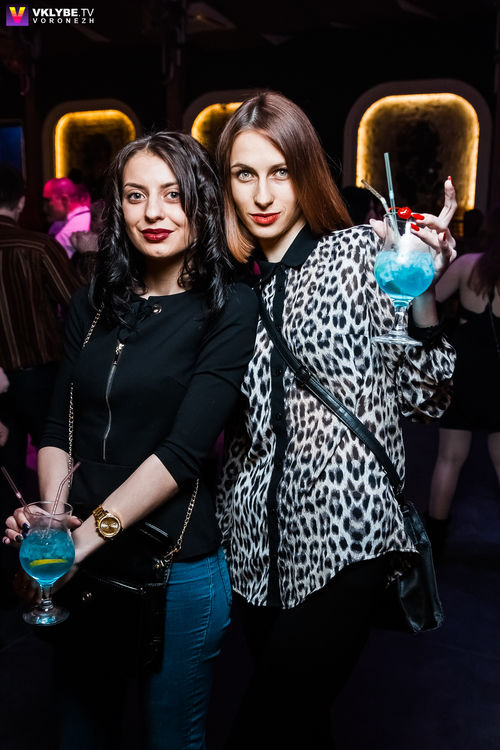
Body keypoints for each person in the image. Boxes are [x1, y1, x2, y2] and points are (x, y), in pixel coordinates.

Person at [214, 91, 457, 750]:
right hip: (253, 545)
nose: (263, 194)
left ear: (306, 173)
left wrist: (421, 289)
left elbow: (427, 397)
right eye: (244, 174)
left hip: (348, 534)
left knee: (266, 726)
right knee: (302, 724)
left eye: (280, 171)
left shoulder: (357, 253)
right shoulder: (229, 286)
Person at [4, 132, 258, 750]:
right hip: (85, 563)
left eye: (173, 194)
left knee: (171, 741)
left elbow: (182, 454)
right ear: (116, 206)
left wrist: (75, 545)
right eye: (135, 195)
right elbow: (59, 426)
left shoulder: (230, 307)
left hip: (174, 569)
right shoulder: (92, 301)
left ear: (201, 201)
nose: (153, 213)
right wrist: (51, 524)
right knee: (78, 732)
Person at [0, 164, 80, 510]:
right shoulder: (38, 247)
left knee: (7, 476)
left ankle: (14, 539)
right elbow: (80, 303)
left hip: (2, 382)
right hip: (43, 377)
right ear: (20, 202)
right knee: (61, 467)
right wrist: (89, 255)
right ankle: (58, 531)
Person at [426, 205, 500, 558]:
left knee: (449, 459)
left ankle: (434, 546)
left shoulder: (469, 265)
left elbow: (430, 296)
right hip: (498, 375)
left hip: (466, 369)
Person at [42, 177, 91, 257]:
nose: (44, 208)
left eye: (47, 201)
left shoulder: (65, 235)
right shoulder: (86, 213)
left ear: (64, 200)